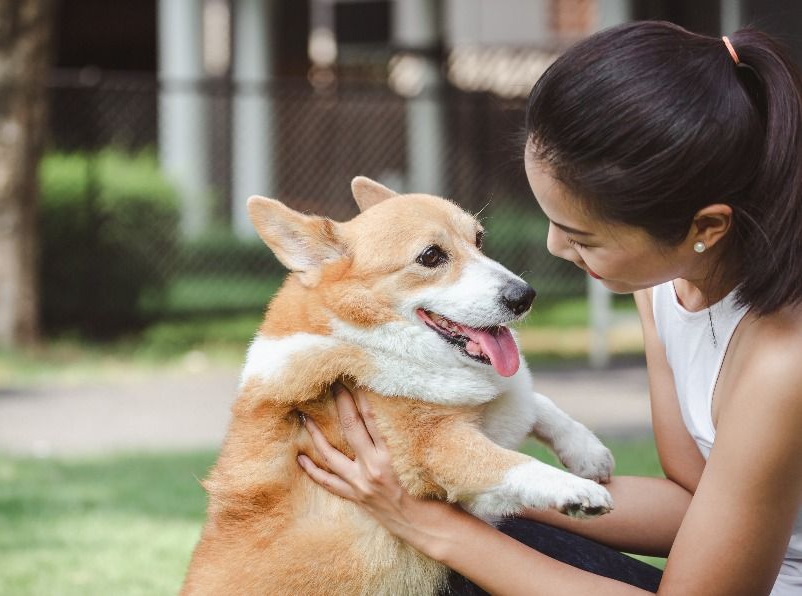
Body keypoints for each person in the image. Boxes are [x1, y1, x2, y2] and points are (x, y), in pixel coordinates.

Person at [297, 20, 802, 595]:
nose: (553, 248)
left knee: (440, 562)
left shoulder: (783, 361)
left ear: (705, 227)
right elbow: (691, 501)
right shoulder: (666, 288)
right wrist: (460, 482)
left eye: (583, 237)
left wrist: (427, 523)